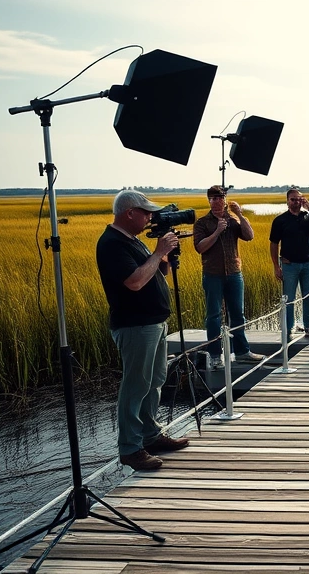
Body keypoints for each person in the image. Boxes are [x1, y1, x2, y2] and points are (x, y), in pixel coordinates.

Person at [96, 190, 191, 471]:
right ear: (129, 213)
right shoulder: (112, 244)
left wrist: (165, 257)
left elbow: (156, 273)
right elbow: (135, 282)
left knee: (155, 380)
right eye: (146, 212)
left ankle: (151, 436)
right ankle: (130, 448)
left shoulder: (132, 240)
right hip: (135, 324)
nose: (151, 217)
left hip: (153, 322)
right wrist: (159, 251)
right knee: (136, 386)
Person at [192, 185, 264, 367]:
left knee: (238, 314)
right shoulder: (202, 223)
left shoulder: (232, 220)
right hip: (212, 274)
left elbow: (249, 236)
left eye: (220, 197)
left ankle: (241, 352)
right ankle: (215, 356)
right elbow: (200, 247)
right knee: (214, 316)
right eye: (213, 198)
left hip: (234, 273)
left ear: (225, 200)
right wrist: (216, 231)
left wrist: (239, 215)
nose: (217, 200)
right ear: (209, 200)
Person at [269, 186, 309, 337]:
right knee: (289, 299)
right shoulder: (280, 220)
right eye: (293, 200)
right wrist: (276, 266)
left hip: (308, 263)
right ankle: (288, 328)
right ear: (287, 201)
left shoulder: (307, 217)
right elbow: (274, 244)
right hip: (289, 265)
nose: (296, 202)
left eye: (299, 199)